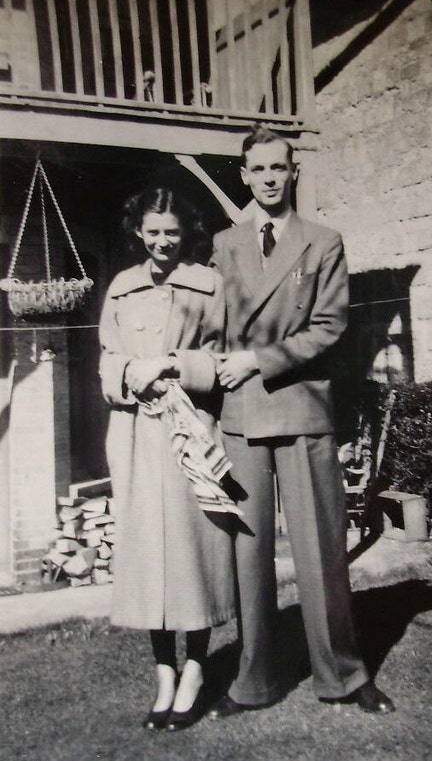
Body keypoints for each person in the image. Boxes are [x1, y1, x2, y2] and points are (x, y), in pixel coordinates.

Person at [209, 125, 395, 716]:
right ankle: (254, 681)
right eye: (257, 169)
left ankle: (342, 673)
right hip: (242, 412)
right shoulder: (223, 244)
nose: (268, 178)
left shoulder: (324, 241)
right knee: (249, 554)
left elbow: (330, 326)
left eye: (278, 168)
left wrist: (257, 359)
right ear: (244, 175)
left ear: (294, 173)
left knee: (321, 551)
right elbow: (212, 324)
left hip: (302, 405)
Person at [99, 187, 234, 732]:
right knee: (149, 558)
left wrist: (173, 365)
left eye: (171, 232)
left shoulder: (207, 284)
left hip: (188, 429)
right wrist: (129, 376)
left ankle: (196, 670)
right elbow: (108, 356)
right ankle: (162, 676)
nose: (161, 242)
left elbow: (222, 354)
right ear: (138, 231)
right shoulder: (121, 289)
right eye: (152, 232)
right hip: (135, 432)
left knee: (190, 554)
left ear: (186, 234)